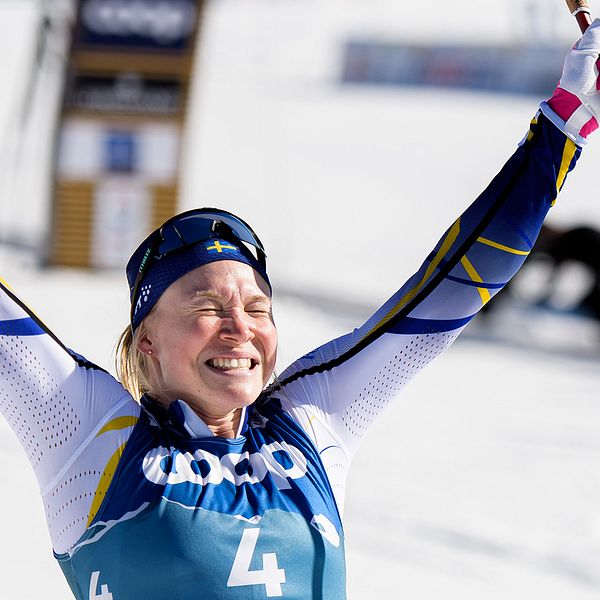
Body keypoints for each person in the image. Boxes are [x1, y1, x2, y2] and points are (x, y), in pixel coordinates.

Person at [1, 20, 600, 600]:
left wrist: (566, 123)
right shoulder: (89, 437)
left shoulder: (312, 424)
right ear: (146, 342)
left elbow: (450, 287)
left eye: (258, 307)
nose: (240, 327)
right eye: (206, 305)